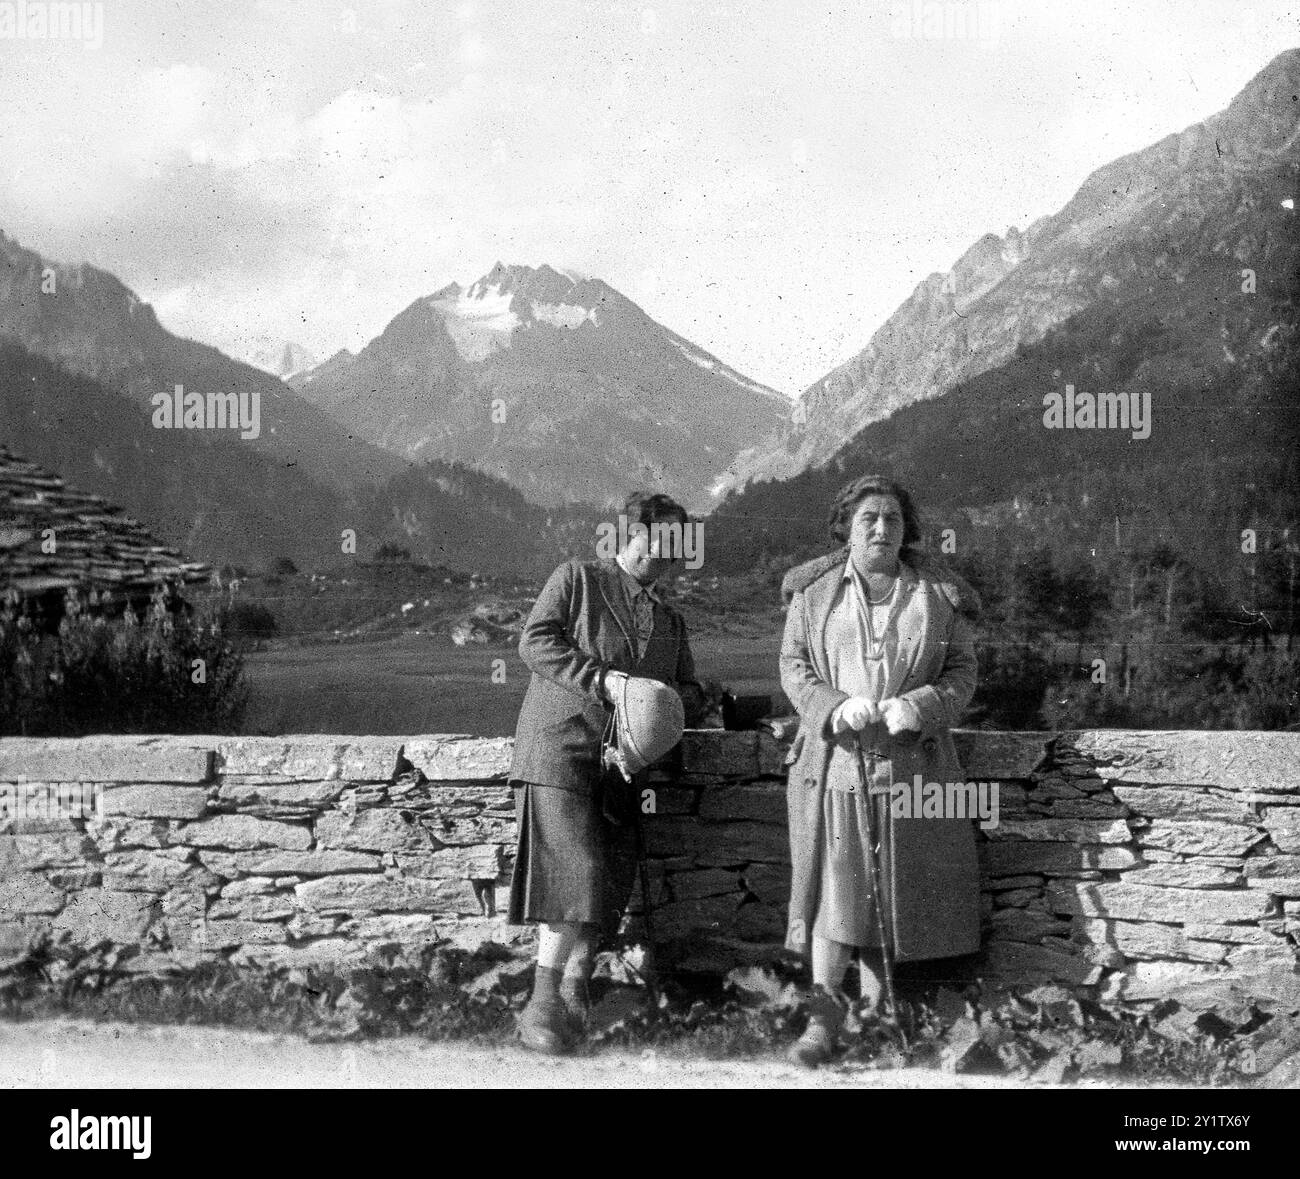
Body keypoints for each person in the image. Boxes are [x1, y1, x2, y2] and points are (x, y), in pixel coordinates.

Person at [779, 474, 982, 1067]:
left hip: (911, 767)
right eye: (868, 517)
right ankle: (821, 1024)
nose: (880, 529)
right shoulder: (814, 595)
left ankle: (876, 1019)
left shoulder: (934, 596)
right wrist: (835, 706)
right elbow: (793, 667)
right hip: (837, 765)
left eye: (892, 519)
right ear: (845, 526)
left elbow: (963, 671)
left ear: (906, 529)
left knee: (893, 896)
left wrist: (918, 706)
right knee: (836, 895)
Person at [508, 492, 704, 1054]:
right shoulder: (578, 579)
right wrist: (609, 683)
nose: (668, 554)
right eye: (660, 538)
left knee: (611, 878)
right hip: (560, 748)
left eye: (679, 544)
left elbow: (683, 691)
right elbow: (535, 642)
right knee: (578, 869)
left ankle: (574, 996)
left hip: (624, 768)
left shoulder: (671, 620)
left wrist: (652, 736)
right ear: (629, 534)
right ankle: (540, 1004)